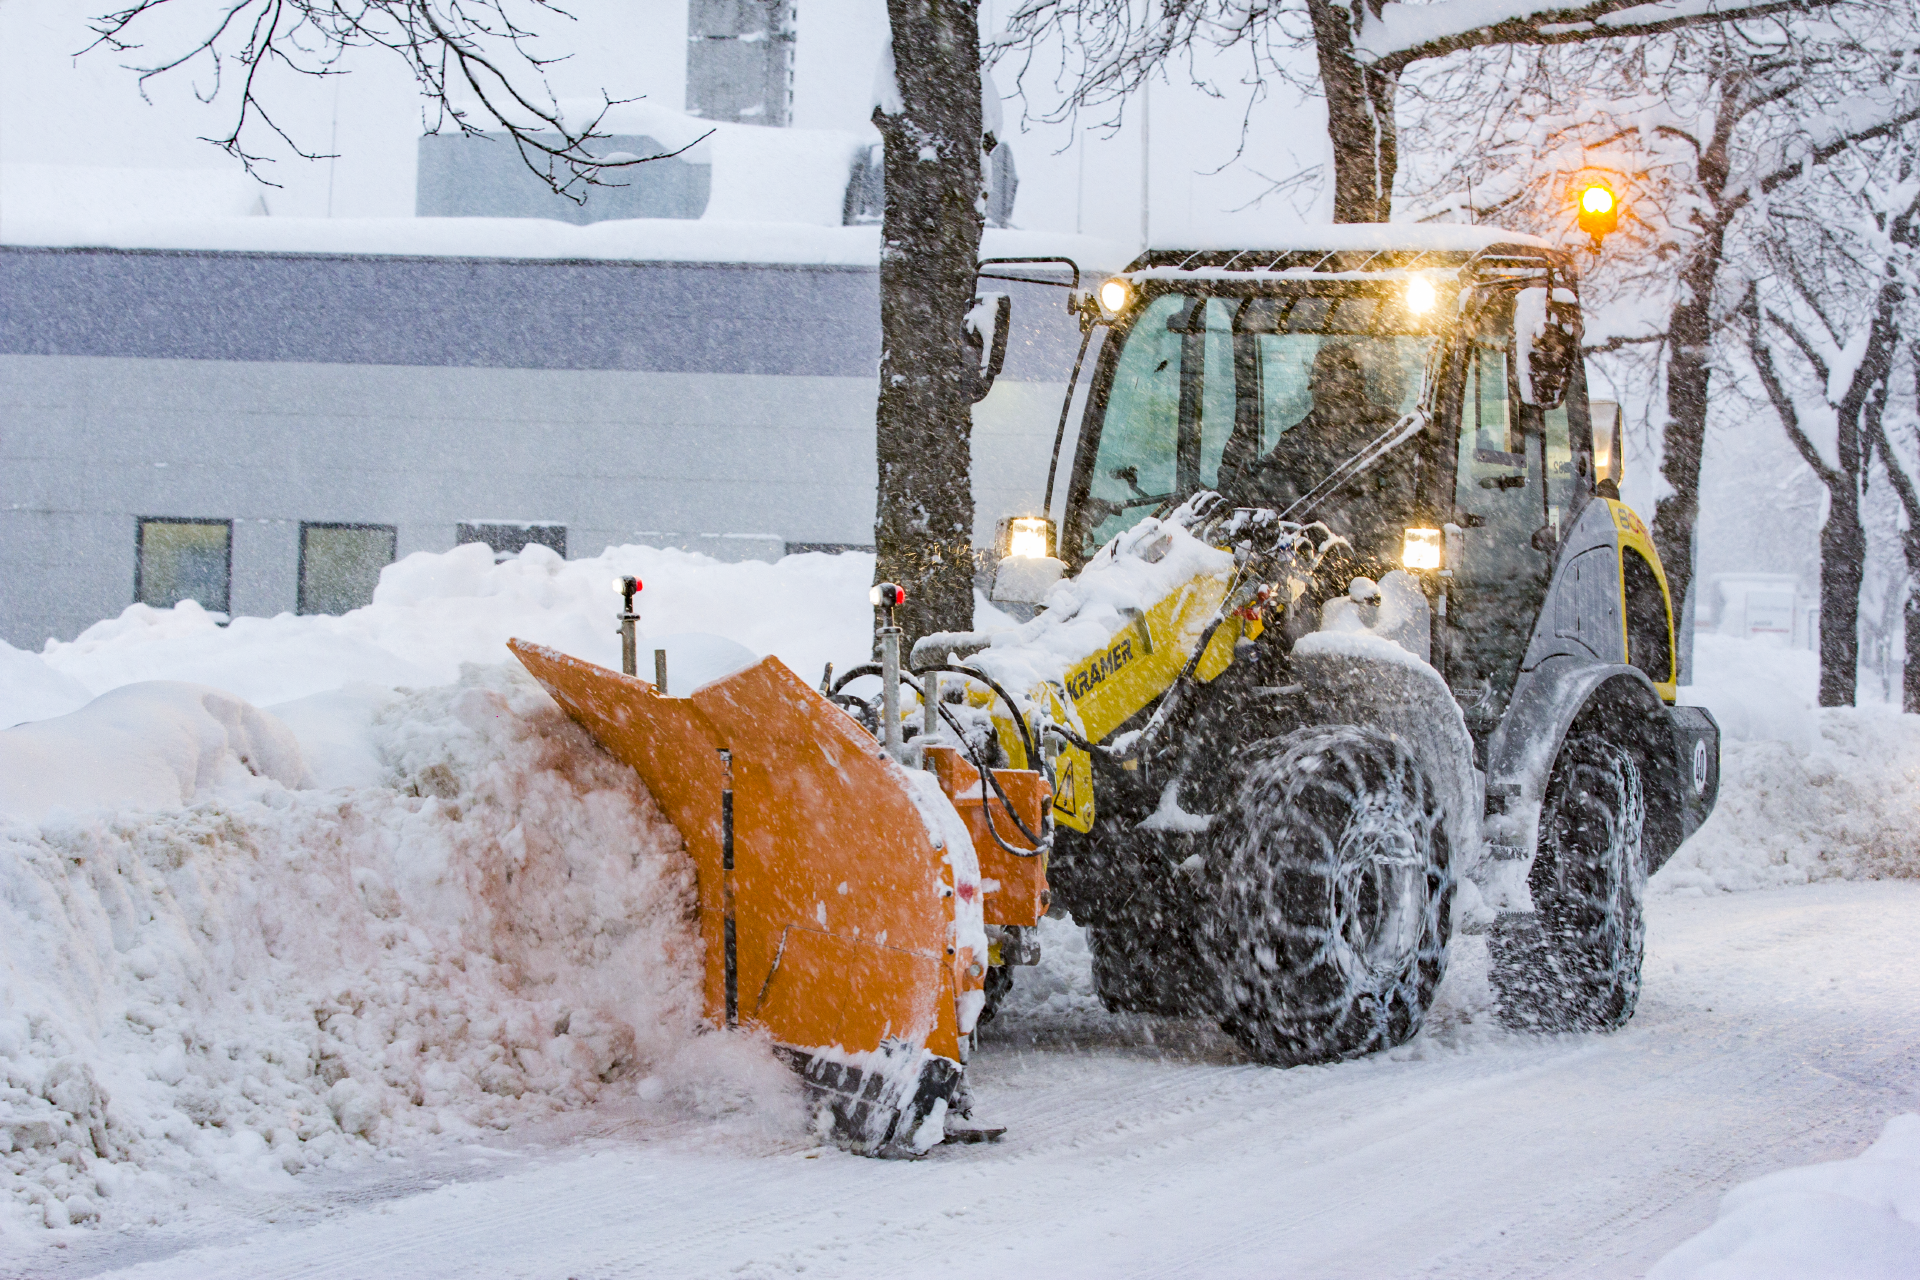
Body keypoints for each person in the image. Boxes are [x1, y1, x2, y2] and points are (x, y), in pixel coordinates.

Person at [1220, 338, 1420, 566]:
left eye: (1335, 377)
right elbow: (1265, 482)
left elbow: (1405, 502)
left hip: (1372, 565)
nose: (1326, 386)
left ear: (1357, 384)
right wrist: (1233, 498)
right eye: (1320, 378)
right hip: (1306, 565)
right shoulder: (1298, 438)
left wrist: (1363, 539)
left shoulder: (1388, 435)